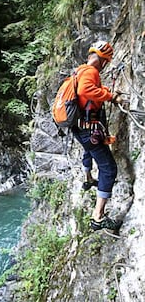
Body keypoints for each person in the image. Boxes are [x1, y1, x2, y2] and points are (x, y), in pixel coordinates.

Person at [71, 41, 124, 231]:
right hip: (89, 129)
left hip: (79, 127)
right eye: (106, 62)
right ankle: (98, 217)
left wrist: (106, 93)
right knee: (108, 168)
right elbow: (85, 91)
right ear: (103, 61)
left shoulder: (80, 70)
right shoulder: (92, 71)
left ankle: (88, 178)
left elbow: (85, 95)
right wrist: (111, 97)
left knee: (89, 151)